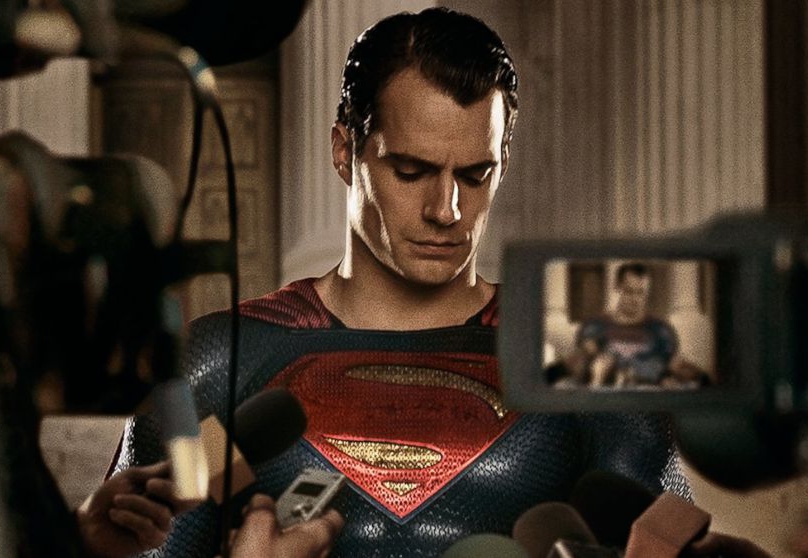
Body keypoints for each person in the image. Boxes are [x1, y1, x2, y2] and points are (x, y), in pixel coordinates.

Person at [112, 8, 689, 557]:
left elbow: (661, 535)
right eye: (411, 171)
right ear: (345, 152)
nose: (447, 210)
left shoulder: (582, 359)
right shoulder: (223, 363)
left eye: (475, 174)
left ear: (503, 161)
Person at [555, 263, 706, 389]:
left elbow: (675, 365)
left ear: (647, 293)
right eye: (629, 291)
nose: (635, 299)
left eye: (641, 293)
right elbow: (584, 360)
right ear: (618, 289)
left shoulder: (661, 330)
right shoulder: (595, 326)